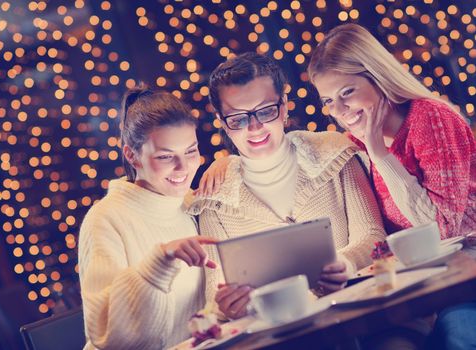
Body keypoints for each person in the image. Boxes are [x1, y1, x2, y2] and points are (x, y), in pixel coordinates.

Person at [188, 52, 386, 320]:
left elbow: (373, 234)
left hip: (364, 316)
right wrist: (230, 306)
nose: (255, 128)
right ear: (223, 123)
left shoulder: (335, 152)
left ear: (283, 107)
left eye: (266, 111)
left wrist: (347, 263)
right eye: (238, 119)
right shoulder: (214, 200)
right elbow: (215, 294)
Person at [78, 88, 218, 349]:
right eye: (166, 156)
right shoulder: (105, 219)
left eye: (191, 151)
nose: (184, 167)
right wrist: (159, 263)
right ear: (131, 155)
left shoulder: (192, 204)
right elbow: (107, 332)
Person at [307, 23, 476, 238]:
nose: (338, 111)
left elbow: (441, 229)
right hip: (414, 266)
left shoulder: (431, 118)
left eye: (347, 92)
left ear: (378, 79)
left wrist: (381, 155)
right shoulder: (354, 146)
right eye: (329, 101)